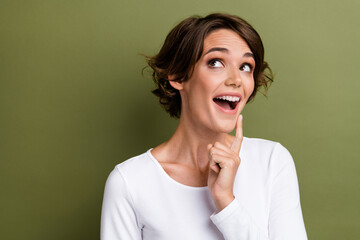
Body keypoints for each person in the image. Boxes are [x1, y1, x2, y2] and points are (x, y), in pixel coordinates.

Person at [100, 13, 307, 240]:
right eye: (215, 62)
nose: (236, 79)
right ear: (178, 75)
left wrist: (226, 202)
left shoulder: (272, 161)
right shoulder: (130, 182)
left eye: (246, 66)